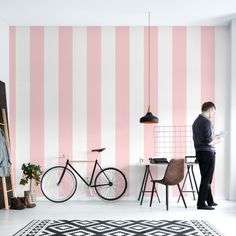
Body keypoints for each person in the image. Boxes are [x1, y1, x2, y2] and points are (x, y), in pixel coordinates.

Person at [192, 101, 221, 210]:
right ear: (210, 109)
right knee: (207, 179)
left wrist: (215, 136)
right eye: (213, 112)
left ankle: (210, 200)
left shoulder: (196, 122)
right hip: (208, 153)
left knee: (205, 177)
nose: (213, 114)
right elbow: (209, 141)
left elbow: (201, 138)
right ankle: (201, 204)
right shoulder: (207, 122)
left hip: (199, 152)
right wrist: (219, 140)